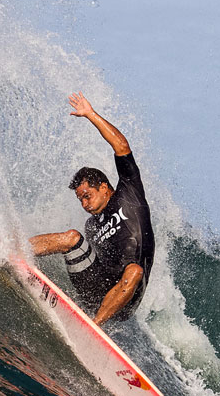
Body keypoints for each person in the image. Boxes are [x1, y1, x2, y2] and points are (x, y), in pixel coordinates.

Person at [29, 92, 155, 326]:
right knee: (71, 238)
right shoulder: (92, 225)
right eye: (80, 200)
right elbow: (92, 265)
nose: (84, 204)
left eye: (87, 196)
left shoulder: (129, 194)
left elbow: (121, 146)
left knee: (135, 270)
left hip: (126, 297)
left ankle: (94, 327)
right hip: (96, 290)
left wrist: (90, 114)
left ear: (105, 188)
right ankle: (15, 250)